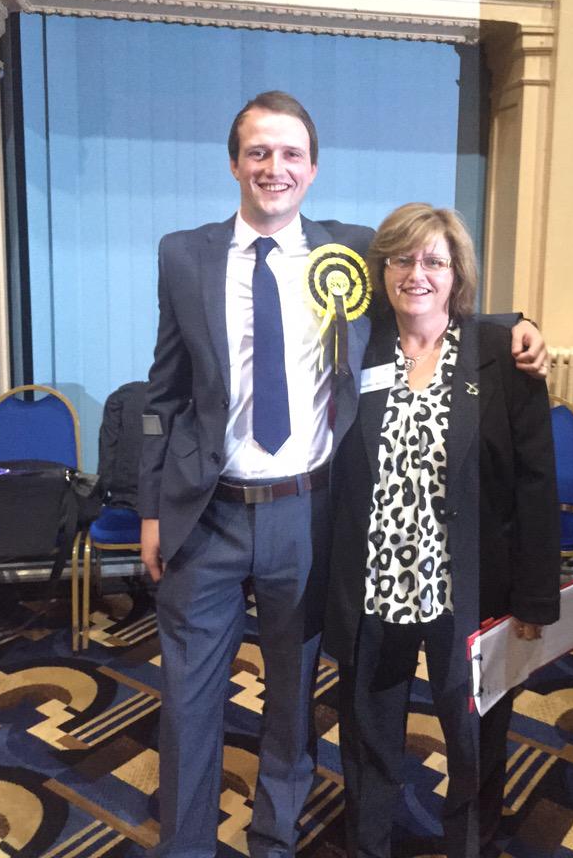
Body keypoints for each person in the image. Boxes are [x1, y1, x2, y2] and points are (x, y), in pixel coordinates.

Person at [138, 92, 548, 858]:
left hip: (308, 517)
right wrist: (152, 508)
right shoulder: (183, 255)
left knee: (292, 701)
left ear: (313, 168)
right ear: (235, 163)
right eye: (259, 152)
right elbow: (162, 396)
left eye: (291, 153)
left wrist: (517, 324)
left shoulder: (352, 251)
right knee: (187, 701)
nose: (275, 167)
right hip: (206, 515)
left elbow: (433, 290)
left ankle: (274, 839)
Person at [325, 203, 560, 858]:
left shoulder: (501, 355)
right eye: (402, 259)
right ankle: (369, 844)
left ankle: (469, 846)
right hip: (376, 589)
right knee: (368, 737)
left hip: (468, 591)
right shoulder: (355, 349)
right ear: (382, 271)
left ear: (457, 273)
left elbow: (537, 482)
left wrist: (535, 599)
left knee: (474, 740)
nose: (417, 273)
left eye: (434, 260)